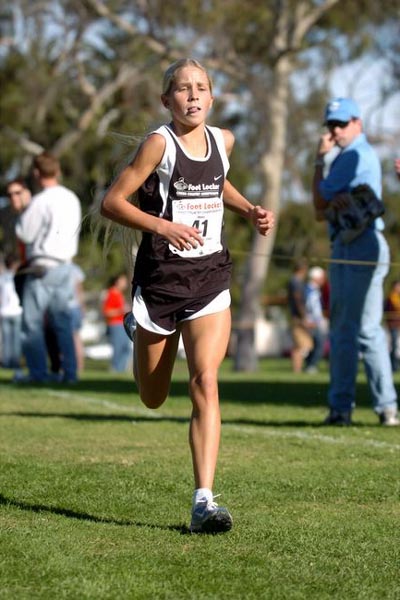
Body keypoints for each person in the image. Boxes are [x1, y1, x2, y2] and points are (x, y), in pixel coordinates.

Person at [100, 58, 274, 533]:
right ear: (166, 100)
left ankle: (204, 501)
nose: (193, 96)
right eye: (182, 89)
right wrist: (162, 226)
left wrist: (249, 210)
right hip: (159, 282)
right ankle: (138, 325)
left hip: (209, 278)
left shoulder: (224, 140)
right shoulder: (160, 144)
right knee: (152, 397)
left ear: (212, 97)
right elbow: (112, 202)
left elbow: (217, 186)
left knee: (205, 382)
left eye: (201, 88)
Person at [312, 97, 398, 426]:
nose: (335, 130)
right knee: (361, 329)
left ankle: (344, 407)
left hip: (359, 246)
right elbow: (322, 211)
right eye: (331, 124)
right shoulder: (353, 155)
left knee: (352, 329)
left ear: (357, 123)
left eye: (342, 123)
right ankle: (381, 408)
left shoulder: (353, 156)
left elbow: (319, 202)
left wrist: (319, 161)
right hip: (354, 245)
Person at [14, 152, 82, 383]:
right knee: (63, 324)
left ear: (36, 173)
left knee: (31, 324)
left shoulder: (40, 200)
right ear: (58, 170)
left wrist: (24, 209)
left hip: (43, 267)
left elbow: (24, 233)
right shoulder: (71, 197)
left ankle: (37, 373)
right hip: (65, 266)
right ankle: (70, 374)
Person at [287, 259, 313, 373]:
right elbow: (298, 300)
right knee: (302, 345)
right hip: (297, 318)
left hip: (296, 317)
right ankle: (296, 369)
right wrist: (303, 316)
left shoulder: (294, 281)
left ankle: (298, 369)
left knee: (302, 344)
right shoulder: (295, 282)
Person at [102, 273, 132, 373]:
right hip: (115, 324)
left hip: (122, 324)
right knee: (118, 348)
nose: (125, 283)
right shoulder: (111, 293)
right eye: (123, 280)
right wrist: (121, 310)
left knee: (126, 348)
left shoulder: (119, 294)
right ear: (117, 281)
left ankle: (121, 369)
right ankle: (115, 368)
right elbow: (107, 311)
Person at [0, 253, 23, 372]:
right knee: (15, 340)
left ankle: (7, 362)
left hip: (4, 311)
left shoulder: (2, 277)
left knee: (7, 340)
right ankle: (15, 362)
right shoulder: (18, 276)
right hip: (16, 311)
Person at [303, 266, 327, 374]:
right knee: (318, 344)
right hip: (313, 322)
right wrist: (317, 320)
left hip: (313, 321)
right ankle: (311, 366)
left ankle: (310, 365)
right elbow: (312, 307)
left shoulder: (312, 290)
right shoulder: (311, 291)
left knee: (315, 344)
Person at [385, 279, 400, 372]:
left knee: (396, 345)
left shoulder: (398, 297)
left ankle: (395, 364)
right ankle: (393, 365)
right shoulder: (391, 298)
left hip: (398, 325)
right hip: (393, 325)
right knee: (393, 345)